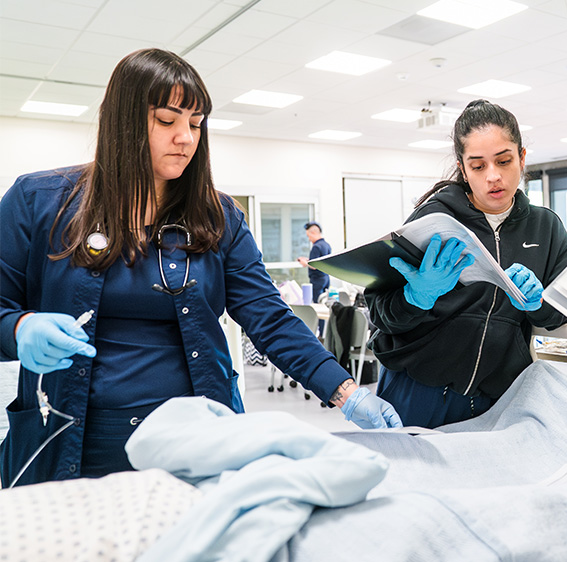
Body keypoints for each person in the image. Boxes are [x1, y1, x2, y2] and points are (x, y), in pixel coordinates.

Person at [0, 48, 400, 487]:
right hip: (71, 439)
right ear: (123, 123)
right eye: (167, 121)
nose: (186, 139)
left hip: (198, 442)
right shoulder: (39, 202)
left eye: (195, 124)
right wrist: (19, 329)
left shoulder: (217, 216)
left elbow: (268, 317)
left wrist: (345, 390)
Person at [367, 99, 567, 428]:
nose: (493, 176)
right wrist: (416, 297)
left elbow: (561, 313)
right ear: (463, 170)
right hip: (416, 388)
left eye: (504, 161)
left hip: (495, 399)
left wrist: (537, 304)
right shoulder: (434, 218)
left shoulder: (546, 228)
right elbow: (380, 312)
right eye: (478, 166)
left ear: (521, 158)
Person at [297, 221, 332, 304]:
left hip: (317, 280)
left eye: (308, 236)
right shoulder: (326, 245)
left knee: (317, 303)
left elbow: (314, 265)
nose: (309, 239)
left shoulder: (316, 247)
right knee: (324, 302)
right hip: (326, 278)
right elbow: (320, 261)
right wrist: (308, 259)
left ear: (313, 233)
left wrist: (304, 262)